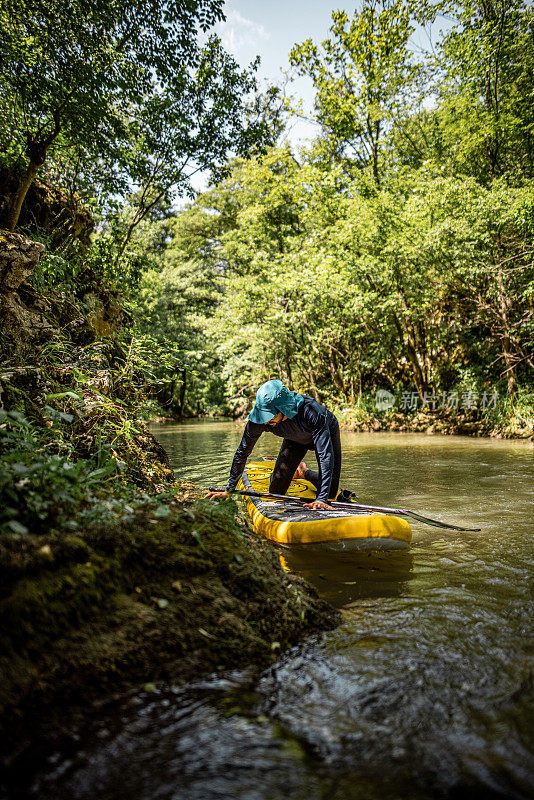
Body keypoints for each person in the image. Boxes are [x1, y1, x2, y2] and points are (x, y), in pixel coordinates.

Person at [206, 379, 342, 510]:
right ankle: (301, 472)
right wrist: (229, 489)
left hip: (327, 432)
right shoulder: (258, 421)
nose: (264, 422)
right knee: (276, 492)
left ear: (284, 409)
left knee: (329, 494)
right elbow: (242, 453)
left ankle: (305, 473)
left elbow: (325, 455)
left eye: (269, 416)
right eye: (262, 415)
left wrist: (321, 499)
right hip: (294, 439)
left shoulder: (311, 412)